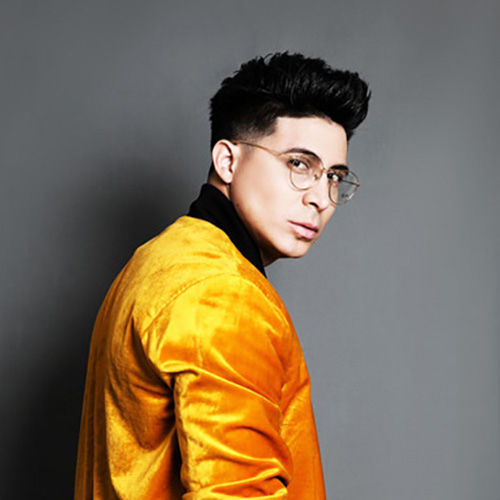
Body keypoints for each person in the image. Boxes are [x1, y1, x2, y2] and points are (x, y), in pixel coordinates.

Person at [74, 52, 370, 499]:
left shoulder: (155, 262)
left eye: (333, 176)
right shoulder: (223, 294)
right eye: (298, 164)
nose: (321, 198)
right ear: (228, 161)